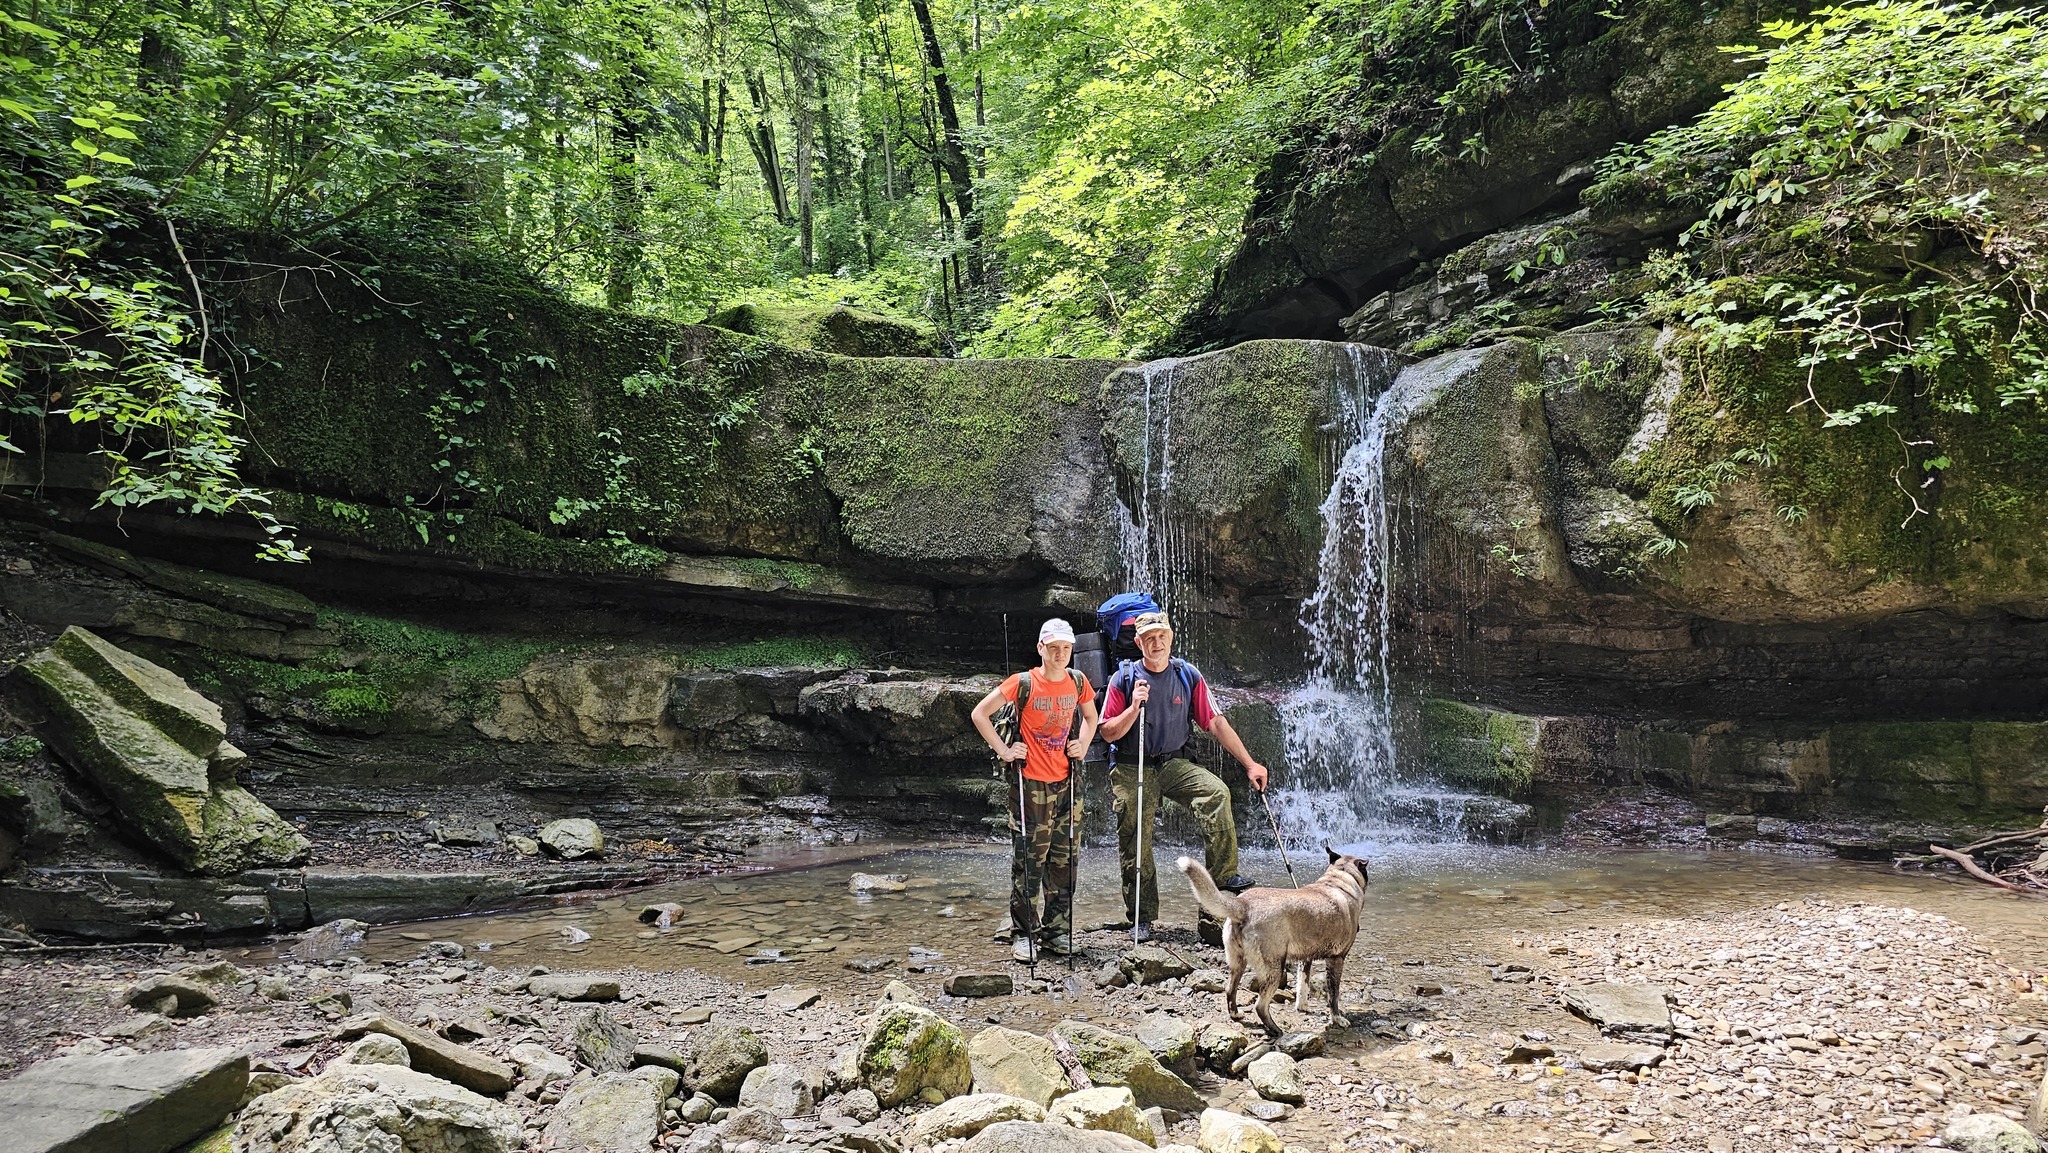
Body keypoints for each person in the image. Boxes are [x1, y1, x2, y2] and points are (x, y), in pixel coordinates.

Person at [1097, 611, 1267, 941]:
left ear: (1171, 637)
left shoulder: (1186, 674)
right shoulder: (1124, 678)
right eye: (1149, 638)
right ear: (1139, 643)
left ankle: (1220, 888)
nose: (1156, 642)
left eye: (1161, 636)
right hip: (1133, 765)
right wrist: (1134, 707)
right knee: (1135, 832)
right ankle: (1142, 915)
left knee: (1215, 792)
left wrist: (1250, 763)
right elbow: (1107, 733)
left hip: (1172, 764)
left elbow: (1216, 722)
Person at [970, 617, 1099, 962]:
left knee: (1064, 861)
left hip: (1068, 784)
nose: (1060, 654)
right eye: (1053, 647)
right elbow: (980, 714)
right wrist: (1005, 750)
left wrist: (1083, 745)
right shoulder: (1023, 683)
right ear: (1041, 648)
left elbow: (1091, 718)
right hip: (1031, 784)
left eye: (1066, 648)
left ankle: (1058, 933)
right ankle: (1024, 934)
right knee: (1029, 861)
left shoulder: (1078, 681)